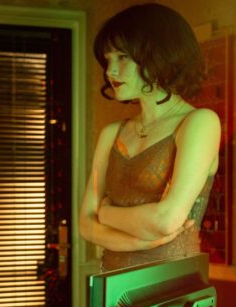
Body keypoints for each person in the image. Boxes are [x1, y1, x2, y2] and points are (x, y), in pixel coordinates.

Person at [78, 3, 221, 271]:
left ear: (159, 56)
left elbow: (166, 220)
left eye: (122, 57)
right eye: (108, 59)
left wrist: (106, 213)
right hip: (112, 281)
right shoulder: (111, 133)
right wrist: (138, 242)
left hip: (173, 283)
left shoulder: (199, 122)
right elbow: (85, 224)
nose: (110, 71)